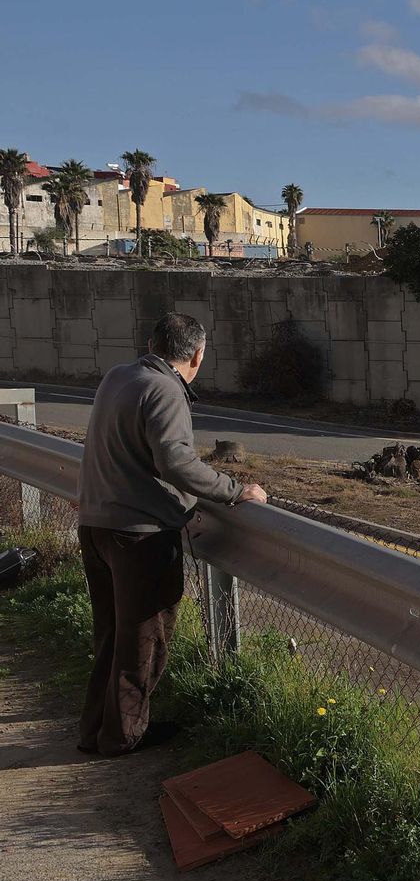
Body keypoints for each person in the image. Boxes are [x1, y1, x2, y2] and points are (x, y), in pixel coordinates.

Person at [75, 312, 267, 755]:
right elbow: (175, 462)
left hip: (96, 525)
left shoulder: (118, 377)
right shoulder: (165, 390)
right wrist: (237, 491)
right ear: (198, 355)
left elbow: (99, 445)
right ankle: (123, 737)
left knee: (110, 634)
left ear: (150, 343)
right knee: (145, 639)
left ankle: (94, 731)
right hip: (140, 536)